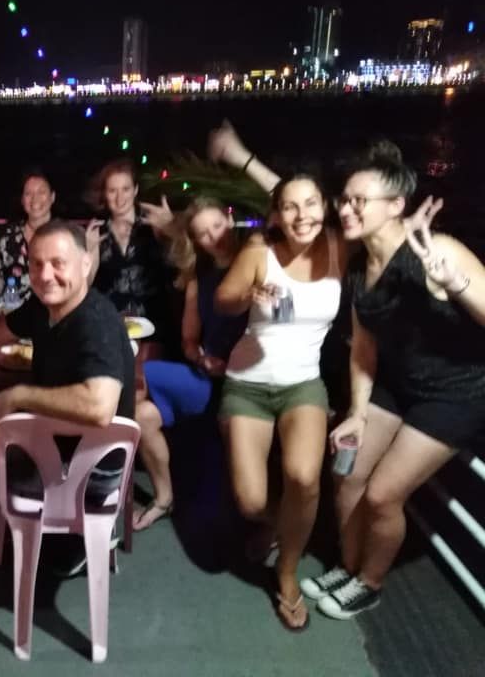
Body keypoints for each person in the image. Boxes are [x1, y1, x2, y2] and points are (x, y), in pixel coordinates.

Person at [301, 143, 485, 620]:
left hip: (456, 393)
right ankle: (348, 564)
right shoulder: (360, 268)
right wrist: (358, 413)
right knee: (346, 472)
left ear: (396, 206)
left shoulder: (436, 249)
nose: (346, 208)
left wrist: (456, 284)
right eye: (343, 199)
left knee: (383, 494)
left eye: (359, 200)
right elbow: (364, 349)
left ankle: (371, 581)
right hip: (397, 386)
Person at [0, 219, 134, 577]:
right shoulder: (43, 307)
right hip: (61, 446)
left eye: (58, 263)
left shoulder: (94, 321)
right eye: (37, 264)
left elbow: (99, 406)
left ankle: (64, 541)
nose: (45, 274)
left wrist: (19, 395)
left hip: (91, 469)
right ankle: (48, 536)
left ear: (85, 265)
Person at [215, 173, 346, 631]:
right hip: (248, 383)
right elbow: (224, 299)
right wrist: (248, 294)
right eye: (290, 206)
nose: (301, 215)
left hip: (303, 385)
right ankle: (275, 523)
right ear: (277, 213)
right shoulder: (258, 252)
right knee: (251, 503)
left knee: (305, 477)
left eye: (311, 203)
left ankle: (287, 573)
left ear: (325, 206)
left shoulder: (339, 247)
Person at [131, 197, 248, 530]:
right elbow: (188, 340)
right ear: (196, 242)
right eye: (204, 233)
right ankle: (163, 498)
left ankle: (103, 472)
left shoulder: (253, 261)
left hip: (248, 378)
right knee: (140, 413)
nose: (215, 236)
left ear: (229, 219)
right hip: (207, 377)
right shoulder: (200, 274)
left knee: (140, 376)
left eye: (217, 225)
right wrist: (202, 358)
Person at [86, 159, 180, 351]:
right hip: (109, 331)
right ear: (104, 194)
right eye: (112, 191)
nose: (120, 198)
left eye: (126, 189)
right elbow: (84, 288)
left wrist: (172, 232)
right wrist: (88, 254)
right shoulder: (95, 233)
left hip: (154, 331)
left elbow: (180, 272)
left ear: (136, 190)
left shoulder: (154, 226)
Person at [0, 169, 56, 303]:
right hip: (13, 314)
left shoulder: (64, 236)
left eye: (41, 192)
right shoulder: (9, 235)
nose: (35, 198)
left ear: (52, 197)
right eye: (28, 193)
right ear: (22, 200)